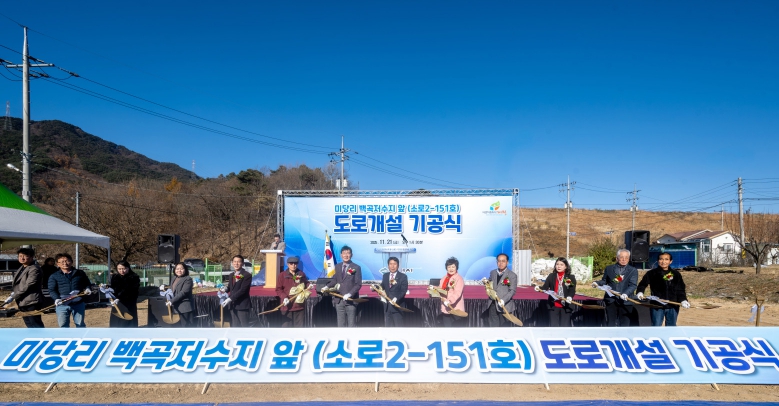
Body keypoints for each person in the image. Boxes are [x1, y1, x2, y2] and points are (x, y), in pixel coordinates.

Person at [636, 252, 690, 326]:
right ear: (658, 261)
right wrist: (640, 292)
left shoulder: (676, 274)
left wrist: (683, 300)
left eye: (666, 259)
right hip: (657, 305)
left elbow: (680, 289)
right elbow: (642, 284)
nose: (663, 261)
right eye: (661, 259)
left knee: (671, 327)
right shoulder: (651, 273)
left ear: (670, 261)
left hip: (672, 305)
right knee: (656, 326)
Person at [592, 249, 638, 327]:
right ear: (617, 258)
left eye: (626, 257)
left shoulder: (633, 270)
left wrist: (626, 293)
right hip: (611, 300)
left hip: (625, 301)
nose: (624, 259)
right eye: (621, 257)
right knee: (610, 323)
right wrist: (597, 283)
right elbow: (605, 281)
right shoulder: (609, 268)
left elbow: (633, 285)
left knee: (625, 324)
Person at [4, 248, 44, 328]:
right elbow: (19, 284)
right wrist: (13, 293)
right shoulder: (22, 268)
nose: (22, 258)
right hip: (22, 301)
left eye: (25, 256)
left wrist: (14, 295)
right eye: (20, 256)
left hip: (31, 301)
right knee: (29, 324)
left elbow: (29, 284)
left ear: (32, 257)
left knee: (35, 324)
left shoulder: (34, 268)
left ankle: (41, 336)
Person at [48, 253, 91, 328]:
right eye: (62, 262)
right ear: (58, 264)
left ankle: (81, 335)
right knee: (63, 325)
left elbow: (87, 283)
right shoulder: (54, 276)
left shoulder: (80, 273)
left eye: (67, 261)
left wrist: (88, 288)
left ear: (71, 261)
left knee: (80, 324)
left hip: (78, 303)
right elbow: (52, 290)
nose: (65, 263)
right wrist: (56, 298)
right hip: (62, 304)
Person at [324, 246, 362, 327]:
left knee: (351, 325)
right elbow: (335, 280)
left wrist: (350, 294)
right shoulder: (337, 266)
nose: (346, 255)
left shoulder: (356, 267)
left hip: (351, 301)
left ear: (351, 255)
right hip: (339, 300)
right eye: (344, 253)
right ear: (341, 255)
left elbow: (358, 284)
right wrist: (327, 286)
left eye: (348, 253)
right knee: (340, 325)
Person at [540, 257, 577, 327]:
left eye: (561, 264)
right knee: (553, 326)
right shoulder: (551, 276)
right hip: (553, 305)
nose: (559, 266)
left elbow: (572, 289)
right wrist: (538, 288)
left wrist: (569, 297)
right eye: (557, 264)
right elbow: (545, 288)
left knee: (564, 326)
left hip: (565, 305)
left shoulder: (569, 277)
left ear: (566, 266)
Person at [486, 253, 517, 327]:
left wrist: (503, 300)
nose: (501, 263)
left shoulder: (512, 275)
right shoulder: (493, 273)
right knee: (493, 327)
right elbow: (490, 285)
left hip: (505, 306)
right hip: (493, 304)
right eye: (499, 261)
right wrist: (486, 284)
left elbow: (512, 290)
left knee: (504, 328)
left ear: (507, 262)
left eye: (503, 261)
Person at [275, 256, 308, 327]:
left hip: (299, 306)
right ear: (287, 264)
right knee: (286, 329)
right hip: (287, 306)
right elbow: (278, 289)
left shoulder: (301, 274)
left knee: (299, 328)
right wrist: (284, 297)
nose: (293, 265)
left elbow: (306, 284)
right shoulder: (282, 275)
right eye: (291, 263)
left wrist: (309, 286)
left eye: (295, 263)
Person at [222, 254, 253, 327]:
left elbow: (243, 290)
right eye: (234, 262)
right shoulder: (231, 275)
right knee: (234, 326)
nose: (236, 263)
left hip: (242, 305)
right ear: (232, 263)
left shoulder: (246, 275)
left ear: (242, 263)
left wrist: (230, 298)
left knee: (244, 326)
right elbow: (230, 287)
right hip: (233, 305)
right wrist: (225, 289)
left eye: (238, 262)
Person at [109, 260, 140, 327]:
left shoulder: (134, 277)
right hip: (117, 303)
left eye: (124, 269)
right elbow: (113, 289)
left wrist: (119, 298)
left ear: (128, 268)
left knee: (127, 321)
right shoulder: (115, 277)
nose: (122, 271)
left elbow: (131, 291)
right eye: (119, 269)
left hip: (128, 303)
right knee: (116, 322)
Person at [379, 256, 408, 327]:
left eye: (394, 264)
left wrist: (396, 298)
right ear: (388, 265)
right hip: (387, 308)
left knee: (398, 328)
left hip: (397, 307)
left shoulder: (403, 276)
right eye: (390, 264)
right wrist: (375, 287)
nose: (392, 266)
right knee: (388, 329)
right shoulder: (385, 276)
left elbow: (403, 290)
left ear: (398, 265)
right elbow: (382, 286)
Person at [438, 257, 465, 327]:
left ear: (456, 268)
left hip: (455, 308)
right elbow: (440, 289)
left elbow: (457, 293)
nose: (451, 269)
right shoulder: (444, 278)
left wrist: (450, 301)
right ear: (446, 268)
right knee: (447, 329)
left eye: (453, 267)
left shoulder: (459, 278)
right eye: (449, 267)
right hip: (446, 308)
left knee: (456, 329)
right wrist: (434, 289)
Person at [168, 262, 195, 327]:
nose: (179, 270)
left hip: (184, 308)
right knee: (176, 328)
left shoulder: (188, 279)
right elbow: (172, 289)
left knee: (185, 328)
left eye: (181, 269)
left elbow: (183, 292)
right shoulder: (174, 278)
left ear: (185, 270)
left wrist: (172, 301)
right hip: (175, 308)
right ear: (174, 270)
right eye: (177, 269)